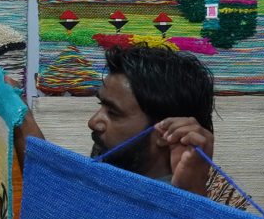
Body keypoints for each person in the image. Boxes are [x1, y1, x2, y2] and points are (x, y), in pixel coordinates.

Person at [86, 44, 218, 194]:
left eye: (113, 112)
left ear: (165, 132)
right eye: (101, 104)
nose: (93, 122)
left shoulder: (191, 198)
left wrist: (191, 195)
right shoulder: (96, 184)